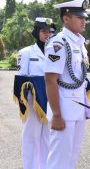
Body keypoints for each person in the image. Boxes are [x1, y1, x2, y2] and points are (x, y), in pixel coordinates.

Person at [44, 0, 90, 169]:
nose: (83, 21)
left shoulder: (79, 42)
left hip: (77, 109)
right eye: (80, 17)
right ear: (66, 19)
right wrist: (56, 114)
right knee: (58, 161)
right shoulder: (59, 43)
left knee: (71, 158)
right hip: (63, 110)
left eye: (84, 18)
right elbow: (50, 79)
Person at [16, 17, 56, 169]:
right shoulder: (26, 52)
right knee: (31, 137)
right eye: (44, 31)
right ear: (37, 32)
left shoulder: (56, 52)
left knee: (48, 137)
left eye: (50, 32)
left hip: (51, 100)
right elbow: (21, 79)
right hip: (32, 101)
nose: (47, 35)